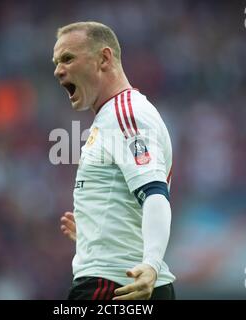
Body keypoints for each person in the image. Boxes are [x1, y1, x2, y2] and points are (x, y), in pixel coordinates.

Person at [53, 21, 175, 300]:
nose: (58, 70)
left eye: (68, 58)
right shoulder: (110, 118)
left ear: (104, 58)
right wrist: (97, 234)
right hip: (122, 280)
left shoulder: (125, 113)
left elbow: (155, 194)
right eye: (56, 62)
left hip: (115, 285)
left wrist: (152, 264)